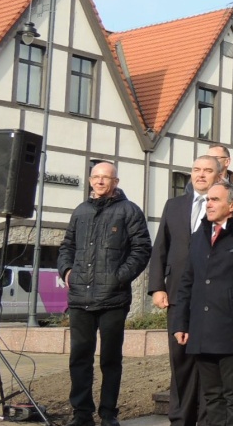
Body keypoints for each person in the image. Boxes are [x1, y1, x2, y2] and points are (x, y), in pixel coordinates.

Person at [58, 161, 153, 426]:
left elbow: (142, 249)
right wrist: (66, 271)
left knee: (111, 359)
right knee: (80, 358)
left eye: (106, 178)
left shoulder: (129, 211)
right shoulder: (81, 211)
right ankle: (82, 413)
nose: (100, 182)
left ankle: (109, 413)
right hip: (79, 298)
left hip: (113, 299)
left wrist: (118, 277)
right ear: (90, 180)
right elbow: (67, 246)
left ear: (116, 182)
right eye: (96, 177)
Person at [171, 183, 233, 426]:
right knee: (212, 395)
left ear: (232, 205)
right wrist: (181, 323)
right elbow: (186, 283)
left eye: (215, 199)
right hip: (201, 330)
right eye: (207, 200)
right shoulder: (199, 236)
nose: (209, 204)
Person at [149, 155, 221, 426]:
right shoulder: (174, 205)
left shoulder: (230, 205)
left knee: (206, 358)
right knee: (179, 357)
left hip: (212, 295)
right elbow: (160, 249)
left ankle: (205, 418)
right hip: (177, 292)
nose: (201, 175)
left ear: (219, 175)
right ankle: (180, 418)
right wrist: (157, 287)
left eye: (207, 171)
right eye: (196, 170)